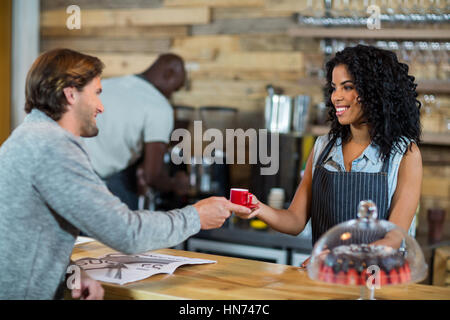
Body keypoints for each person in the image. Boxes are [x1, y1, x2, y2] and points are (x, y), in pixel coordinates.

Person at [0, 48, 252, 300]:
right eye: (96, 94)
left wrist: (70, 272)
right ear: (70, 95)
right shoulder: (54, 147)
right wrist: (196, 216)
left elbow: (28, 233)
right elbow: (127, 234)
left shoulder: (28, 135)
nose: (101, 107)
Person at [236, 45, 422, 264]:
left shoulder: (404, 154)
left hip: (378, 284)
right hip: (329, 281)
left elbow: (393, 238)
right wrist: (257, 208)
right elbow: (295, 220)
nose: (336, 97)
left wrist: (338, 258)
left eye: (347, 87)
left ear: (375, 90)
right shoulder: (324, 147)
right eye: (334, 88)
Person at [83, 53, 188, 210]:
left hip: (69, 174)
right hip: (104, 187)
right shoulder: (160, 106)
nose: (172, 95)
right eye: (176, 88)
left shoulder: (106, 85)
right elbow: (152, 176)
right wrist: (176, 184)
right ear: (169, 74)